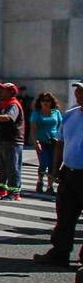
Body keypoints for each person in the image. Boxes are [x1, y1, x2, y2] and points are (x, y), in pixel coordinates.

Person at [35, 80, 83, 266]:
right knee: (65, 215)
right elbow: (60, 143)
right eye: (78, 92)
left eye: (82, 92)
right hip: (69, 172)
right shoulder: (70, 115)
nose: (79, 95)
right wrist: (56, 168)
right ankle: (59, 253)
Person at [0, 82, 25, 200]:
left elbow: (8, 118)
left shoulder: (13, 104)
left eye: (3, 90)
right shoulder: (3, 104)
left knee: (13, 168)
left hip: (12, 141)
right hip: (2, 139)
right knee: (2, 167)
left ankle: (14, 193)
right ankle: (1, 189)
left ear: (11, 92)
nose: (1, 92)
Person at [29, 92, 63, 195]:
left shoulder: (56, 112)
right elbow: (33, 129)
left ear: (51, 102)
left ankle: (50, 186)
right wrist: (36, 143)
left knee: (53, 164)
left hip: (54, 142)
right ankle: (40, 182)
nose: (45, 102)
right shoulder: (36, 113)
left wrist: (61, 140)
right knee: (44, 163)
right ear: (40, 102)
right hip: (42, 142)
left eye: (48, 100)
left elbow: (61, 127)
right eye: (43, 100)